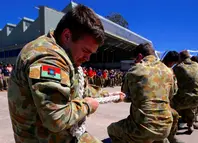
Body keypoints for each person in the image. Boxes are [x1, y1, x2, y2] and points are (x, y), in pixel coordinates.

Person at [8, 4, 124, 143]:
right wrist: (87, 106)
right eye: (86, 51)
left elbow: (81, 91)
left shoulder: (67, 55)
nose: (88, 58)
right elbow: (56, 118)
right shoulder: (48, 58)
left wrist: (109, 95)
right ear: (67, 36)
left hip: (64, 135)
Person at [107, 43, 174, 143]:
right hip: (166, 127)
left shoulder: (135, 70)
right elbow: (171, 94)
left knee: (112, 129)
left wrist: (118, 97)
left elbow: (126, 96)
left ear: (139, 56)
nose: (135, 62)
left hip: (142, 128)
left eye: (135, 60)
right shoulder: (168, 71)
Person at [172, 51, 198, 133]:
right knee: (190, 106)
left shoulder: (178, 67)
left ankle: (174, 127)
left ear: (180, 58)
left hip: (184, 99)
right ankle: (190, 125)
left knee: (171, 106)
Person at [162, 51, 184, 143]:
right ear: (172, 62)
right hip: (161, 102)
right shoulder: (169, 71)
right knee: (174, 115)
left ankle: (169, 137)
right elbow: (174, 91)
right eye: (174, 63)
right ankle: (169, 137)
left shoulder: (156, 66)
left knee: (174, 114)